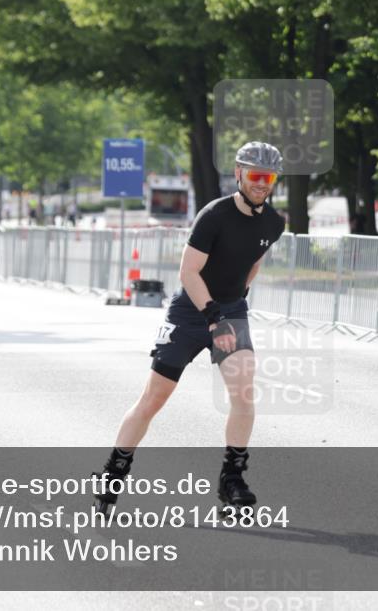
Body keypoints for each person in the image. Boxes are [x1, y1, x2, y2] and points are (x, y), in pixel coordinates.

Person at [93, 141, 286, 516]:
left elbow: (253, 263)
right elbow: (188, 272)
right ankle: (114, 472)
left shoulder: (273, 223)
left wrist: (234, 306)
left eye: (270, 177)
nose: (263, 183)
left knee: (244, 393)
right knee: (154, 398)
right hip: (189, 313)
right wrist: (213, 317)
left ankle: (232, 479)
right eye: (256, 175)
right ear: (239, 174)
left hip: (229, 310)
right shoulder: (214, 215)